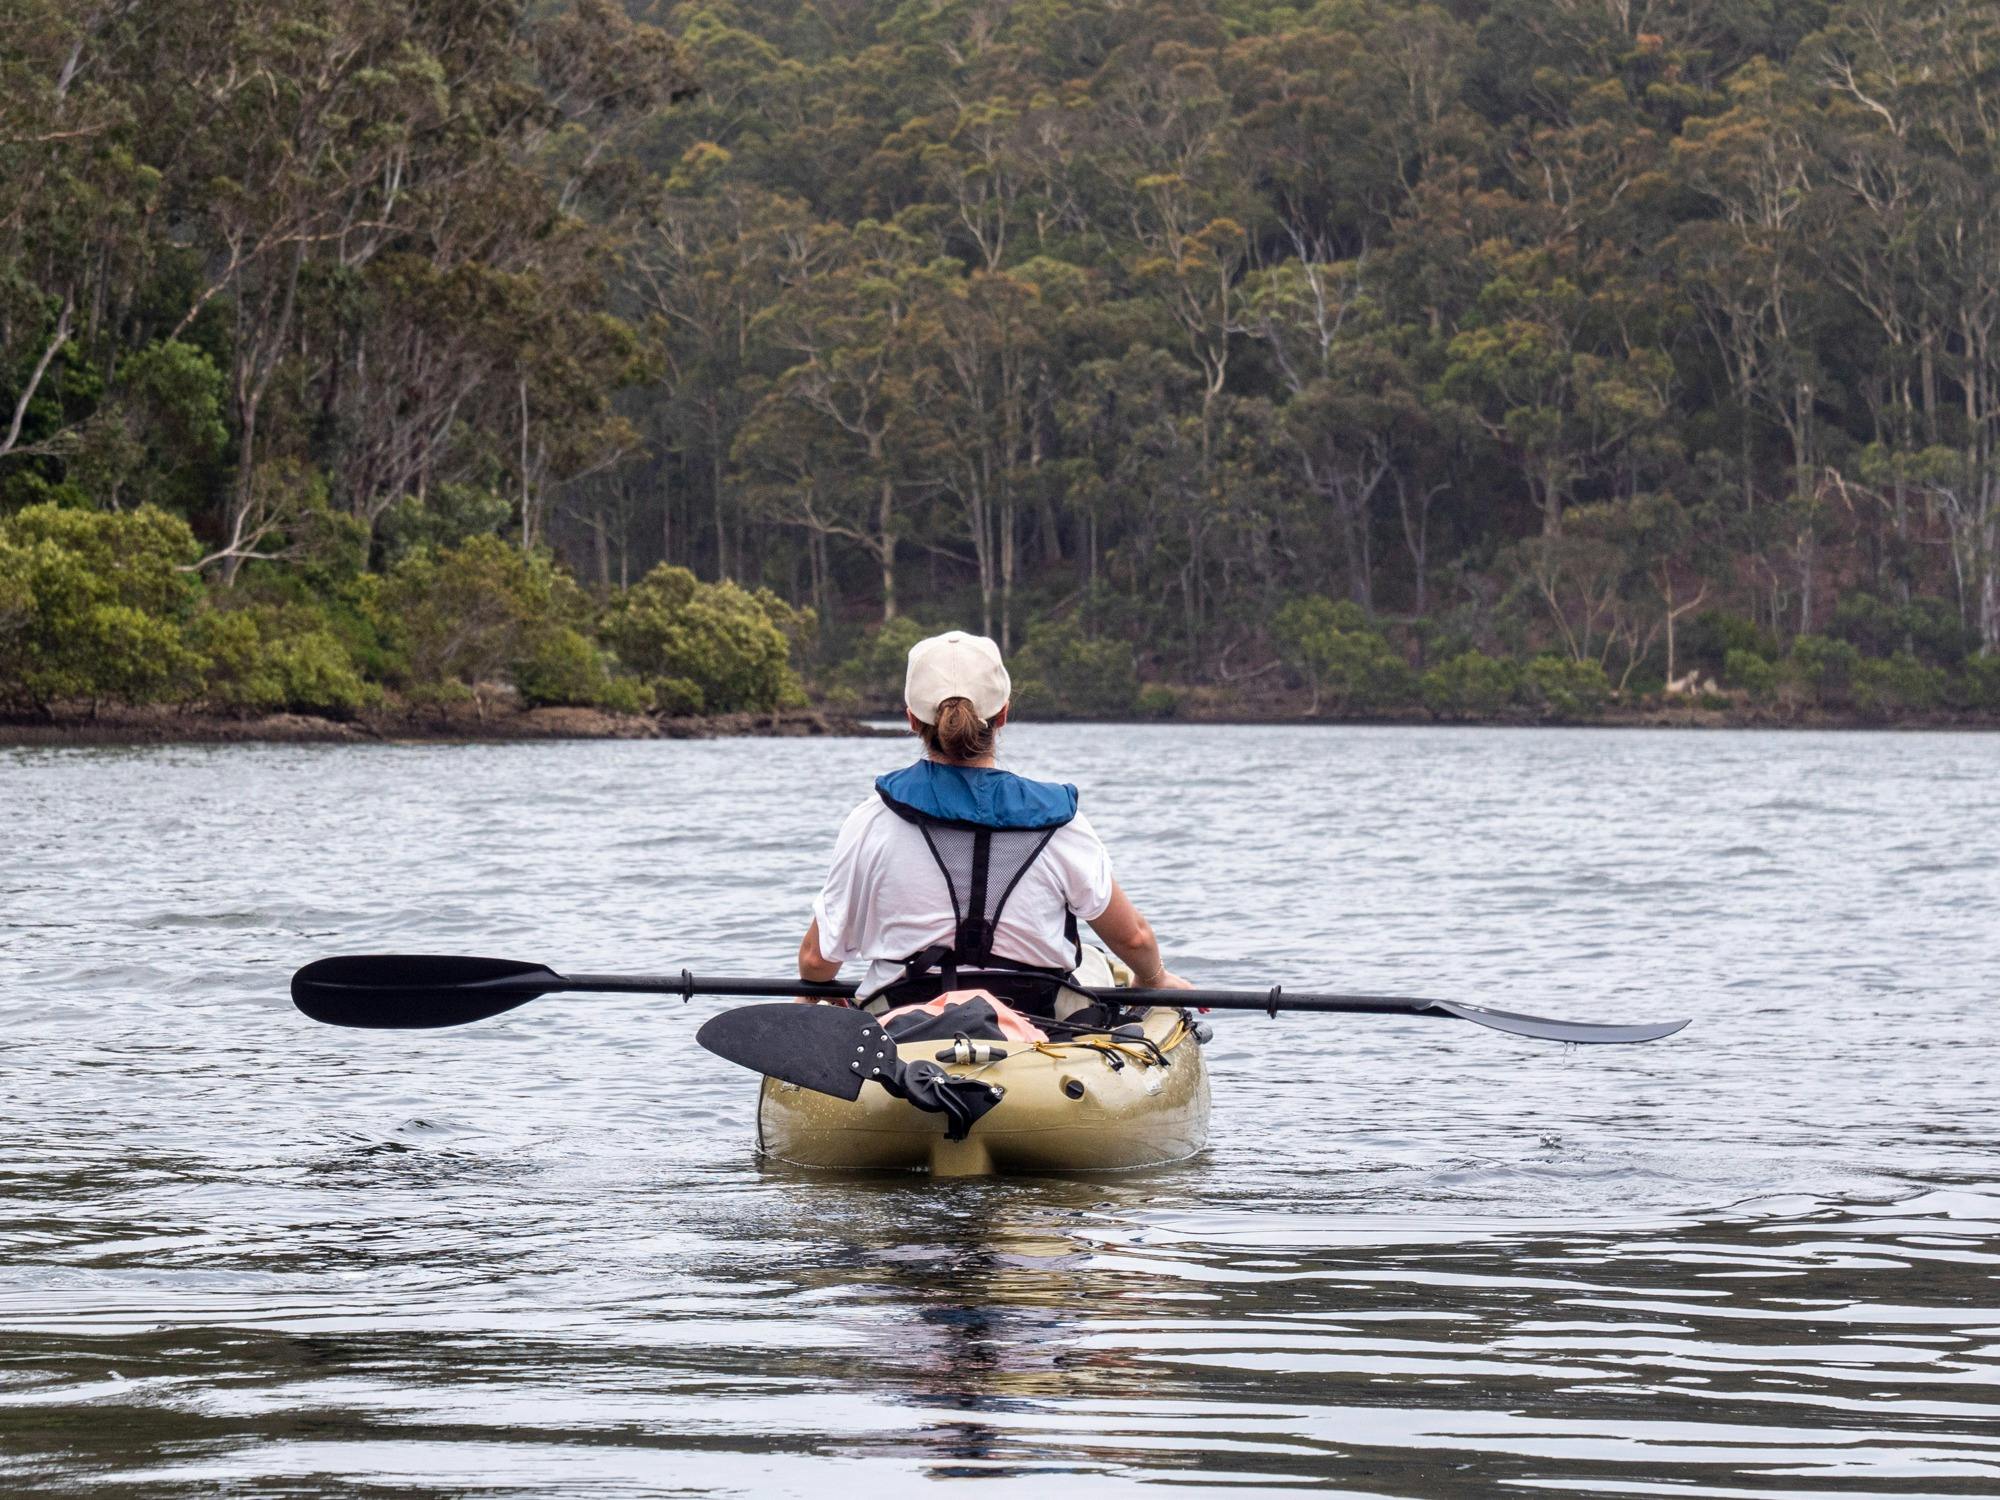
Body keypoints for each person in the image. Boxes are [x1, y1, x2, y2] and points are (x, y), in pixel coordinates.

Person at [798, 630, 1191, 1019]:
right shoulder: (1060, 822)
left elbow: (817, 961)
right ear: (1002, 714)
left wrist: (821, 992)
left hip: (900, 1022)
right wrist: (1152, 978)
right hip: (1037, 1025)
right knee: (1094, 972)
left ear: (912, 720)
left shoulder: (871, 820)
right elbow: (1133, 939)